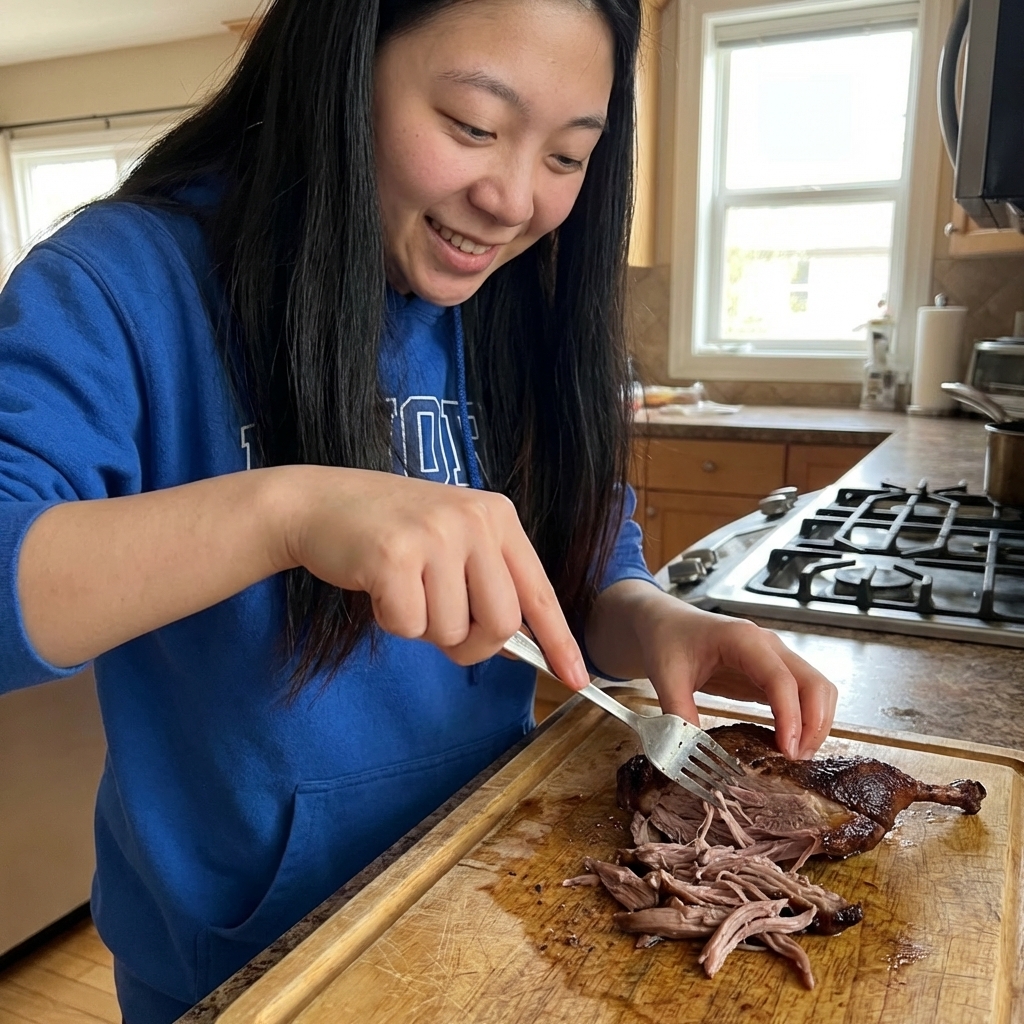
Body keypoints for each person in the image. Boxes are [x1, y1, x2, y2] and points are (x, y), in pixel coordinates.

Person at [0, 0, 838, 1019]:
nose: (513, 198)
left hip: (494, 898)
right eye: (473, 126)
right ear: (340, 65)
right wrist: (288, 510)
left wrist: (655, 618)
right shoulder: (124, 281)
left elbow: (582, 568)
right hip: (249, 959)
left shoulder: (525, 304)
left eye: (568, 157)